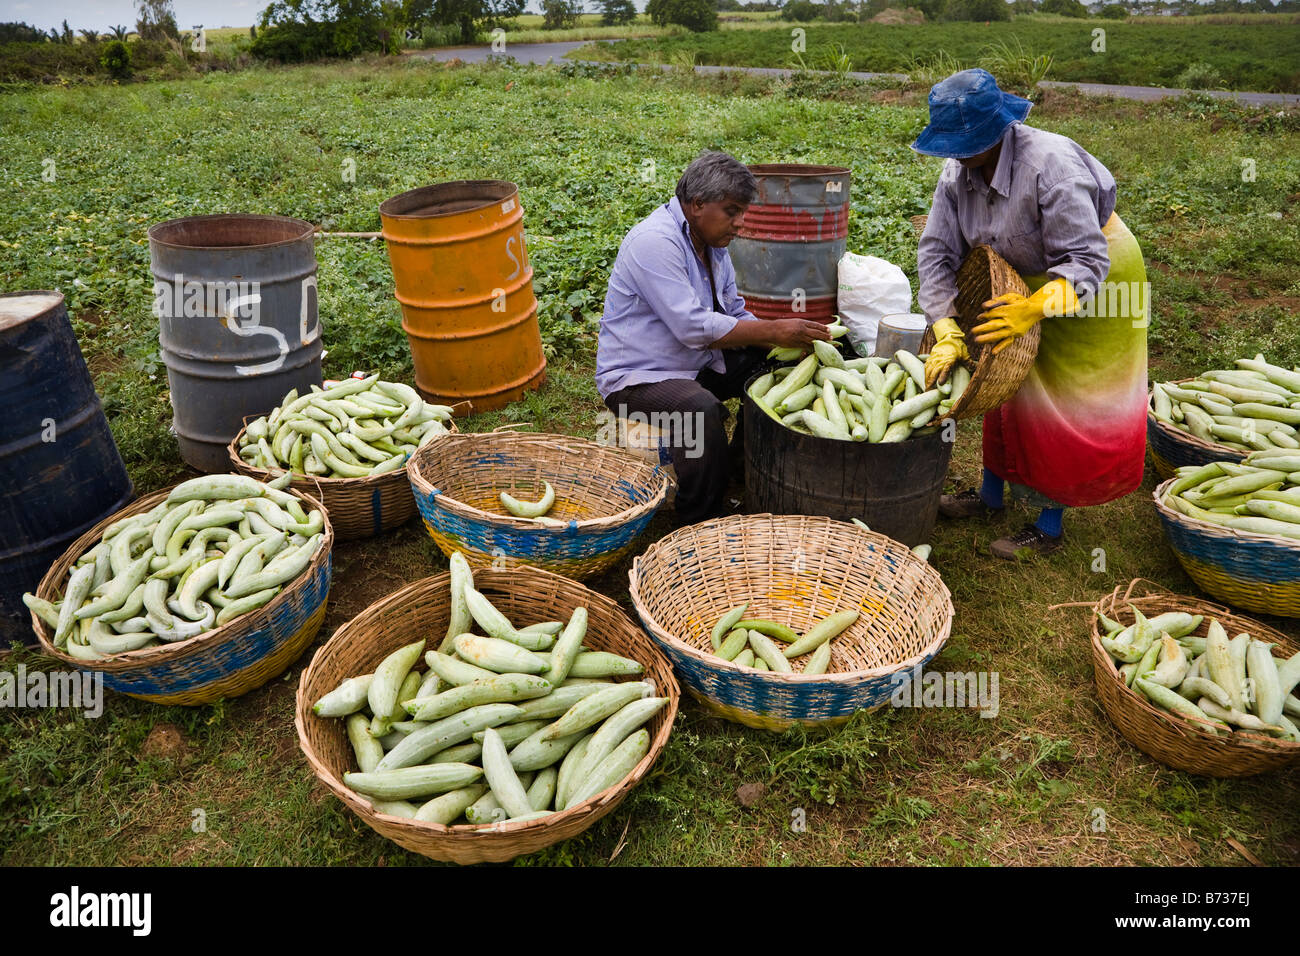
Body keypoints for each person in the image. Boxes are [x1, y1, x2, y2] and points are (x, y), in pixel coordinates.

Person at [914, 69, 1148, 559]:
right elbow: (936, 253)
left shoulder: (1051, 164)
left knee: (1062, 395)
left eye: (969, 143)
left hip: (1091, 277)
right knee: (1002, 375)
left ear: (999, 131)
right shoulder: (957, 173)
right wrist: (944, 325)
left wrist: (1037, 308)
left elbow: (1086, 261)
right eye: (952, 144)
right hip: (1020, 276)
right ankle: (989, 496)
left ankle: (1049, 524)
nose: (958, 154)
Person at [595, 151, 831, 525]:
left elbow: (734, 312)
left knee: (769, 367)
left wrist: (786, 343)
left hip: (696, 363)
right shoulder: (655, 242)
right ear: (697, 204)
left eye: (742, 212)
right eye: (732, 211)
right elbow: (692, 328)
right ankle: (699, 517)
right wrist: (773, 328)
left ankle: (742, 467)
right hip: (637, 379)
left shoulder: (711, 245)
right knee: (698, 409)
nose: (740, 223)